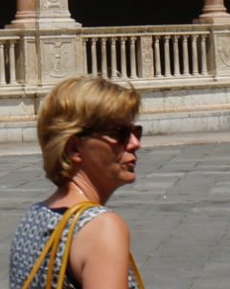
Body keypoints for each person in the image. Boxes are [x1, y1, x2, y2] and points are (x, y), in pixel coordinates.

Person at [10, 75, 145, 289]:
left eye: (136, 131)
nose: (135, 143)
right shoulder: (101, 228)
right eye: (120, 134)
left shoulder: (33, 217)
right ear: (74, 148)